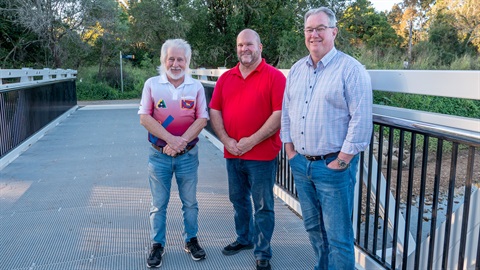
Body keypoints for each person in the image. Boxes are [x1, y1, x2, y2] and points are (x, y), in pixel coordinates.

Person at [280, 7, 373, 270]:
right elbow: (287, 112)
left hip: (333, 166)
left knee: (338, 237)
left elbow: (361, 120)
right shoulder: (297, 70)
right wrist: (290, 151)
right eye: (309, 29)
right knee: (313, 228)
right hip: (301, 164)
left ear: (334, 31)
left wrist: (342, 161)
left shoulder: (351, 69)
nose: (314, 35)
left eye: (320, 28)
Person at [209, 29, 286, 270]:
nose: (245, 49)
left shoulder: (275, 77)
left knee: (262, 205)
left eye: (249, 44)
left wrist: (251, 141)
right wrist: (226, 140)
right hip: (233, 153)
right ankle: (245, 238)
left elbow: (279, 115)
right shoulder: (226, 78)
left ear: (260, 47)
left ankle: (263, 251)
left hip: (262, 156)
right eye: (241, 45)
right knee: (238, 199)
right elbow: (214, 110)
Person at [138, 38, 209, 268]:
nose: (175, 64)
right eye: (171, 59)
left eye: (180, 59)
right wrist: (171, 140)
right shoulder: (152, 84)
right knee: (158, 204)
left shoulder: (195, 86)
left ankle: (191, 240)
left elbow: (202, 118)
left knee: (190, 203)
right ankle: (157, 245)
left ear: (187, 61)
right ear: (163, 60)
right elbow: (144, 117)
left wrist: (182, 142)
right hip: (159, 155)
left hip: (188, 156)